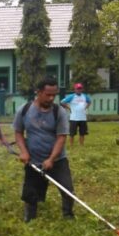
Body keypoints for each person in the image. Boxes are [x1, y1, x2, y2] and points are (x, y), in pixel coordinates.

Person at [14, 77, 75, 222]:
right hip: (33, 159)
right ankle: (30, 218)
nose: (51, 98)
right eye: (48, 94)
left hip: (57, 159)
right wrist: (23, 151)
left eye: (54, 94)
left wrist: (51, 159)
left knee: (67, 189)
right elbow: (18, 132)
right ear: (38, 92)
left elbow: (61, 137)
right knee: (30, 191)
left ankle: (68, 216)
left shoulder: (59, 112)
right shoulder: (24, 110)